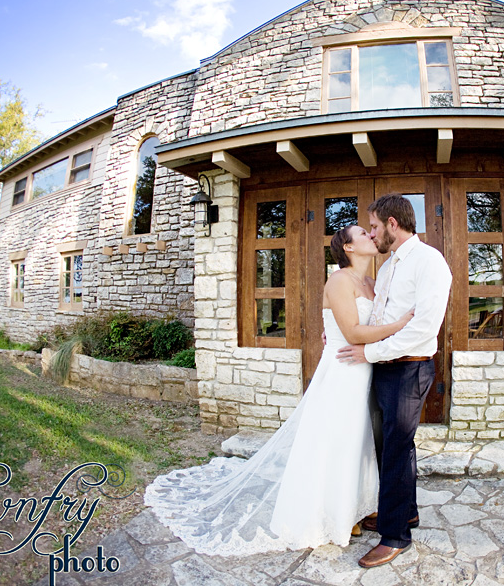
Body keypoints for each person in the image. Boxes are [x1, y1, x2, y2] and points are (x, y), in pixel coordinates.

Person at [143, 225, 412, 556]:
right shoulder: (339, 280)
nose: (371, 236)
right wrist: (401, 325)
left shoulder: (372, 282)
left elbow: (367, 326)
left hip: (366, 371)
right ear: (348, 247)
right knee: (336, 442)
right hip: (343, 372)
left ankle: (353, 507)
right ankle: (329, 514)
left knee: (358, 442)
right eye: (362, 233)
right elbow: (354, 333)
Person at [336, 194, 453, 569]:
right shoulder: (387, 268)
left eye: (373, 227)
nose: (372, 235)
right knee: (391, 448)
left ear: (391, 223)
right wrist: (343, 338)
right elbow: (377, 320)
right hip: (386, 369)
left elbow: (423, 329)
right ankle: (406, 513)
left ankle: (395, 535)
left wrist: (367, 354)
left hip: (410, 369)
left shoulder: (429, 262)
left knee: (397, 451)